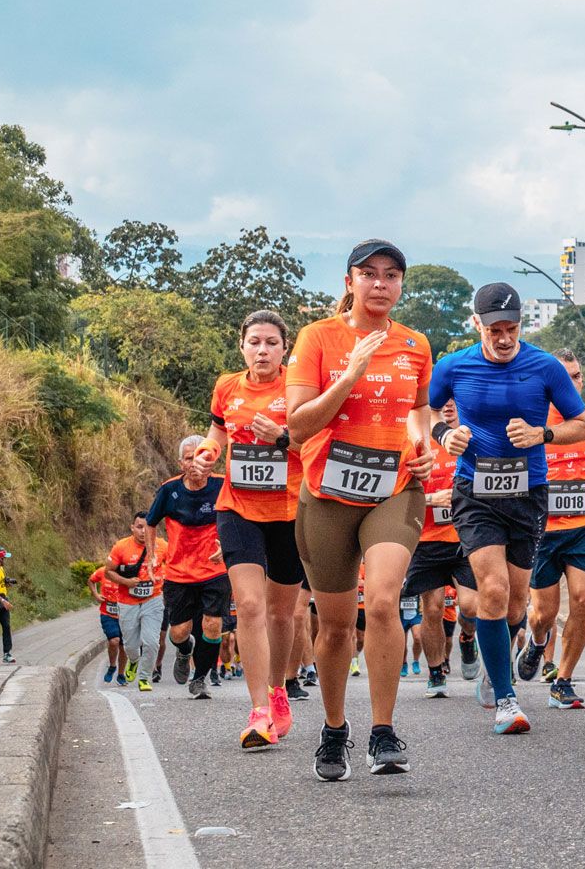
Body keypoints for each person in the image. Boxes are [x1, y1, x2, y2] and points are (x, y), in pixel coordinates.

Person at [286, 239, 437, 780]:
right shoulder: (317, 338)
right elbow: (297, 425)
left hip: (394, 489)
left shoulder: (416, 343)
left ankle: (382, 730)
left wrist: (425, 448)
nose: (380, 284)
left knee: (382, 603)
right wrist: (348, 376)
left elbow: (419, 408)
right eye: (368, 274)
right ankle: (333, 730)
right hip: (326, 496)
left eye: (391, 275)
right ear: (350, 281)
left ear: (401, 285)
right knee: (333, 627)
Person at [432, 281, 585, 737]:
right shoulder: (454, 365)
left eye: (513, 328)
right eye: (495, 329)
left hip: (527, 493)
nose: (504, 338)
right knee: (494, 591)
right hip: (474, 490)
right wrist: (445, 437)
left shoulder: (543, 366)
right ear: (476, 323)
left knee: (517, 604)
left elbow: (581, 425)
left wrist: (544, 435)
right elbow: (425, 411)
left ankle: (494, 658)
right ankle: (506, 699)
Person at [206, 309, 309, 749]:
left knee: (281, 613)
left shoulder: (299, 388)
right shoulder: (227, 386)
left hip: (289, 511)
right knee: (248, 605)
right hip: (238, 507)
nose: (262, 350)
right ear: (242, 346)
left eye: (271, 342)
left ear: (284, 348)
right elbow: (217, 431)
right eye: (254, 342)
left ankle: (278, 689)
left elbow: (320, 444)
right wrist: (210, 451)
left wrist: (282, 436)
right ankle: (259, 711)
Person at [520, 351, 585, 711]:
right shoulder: (530, 419)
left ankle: (563, 680)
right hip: (541, 531)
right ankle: (536, 641)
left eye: (577, 377)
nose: (574, 383)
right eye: (567, 377)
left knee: (583, 599)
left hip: (581, 527)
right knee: (544, 613)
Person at [404, 399, 480, 699]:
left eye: (454, 401)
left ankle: (467, 636)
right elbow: (399, 492)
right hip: (427, 540)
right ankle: (436, 672)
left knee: (472, 605)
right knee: (432, 608)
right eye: (442, 403)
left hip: (466, 537)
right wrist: (431, 499)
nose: (448, 407)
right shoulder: (417, 440)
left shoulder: (474, 440)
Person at [147, 435, 228, 701]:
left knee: (213, 625)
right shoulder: (169, 490)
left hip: (214, 570)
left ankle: (201, 678)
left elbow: (238, 516)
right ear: (181, 462)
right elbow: (151, 522)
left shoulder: (221, 486)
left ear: (211, 461)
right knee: (179, 632)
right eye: (190, 457)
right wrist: (151, 557)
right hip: (178, 574)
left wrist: (227, 546)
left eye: (203, 456)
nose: (196, 463)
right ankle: (184, 651)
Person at [106, 512, 170, 692]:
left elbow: (174, 564)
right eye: (139, 527)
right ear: (132, 528)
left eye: (147, 527)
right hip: (127, 602)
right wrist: (126, 582)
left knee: (151, 642)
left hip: (154, 600)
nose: (143, 531)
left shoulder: (162, 546)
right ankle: (133, 661)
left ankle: (144, 677)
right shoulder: (121, 547)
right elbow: (108, 571)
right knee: (131, 646)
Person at [90, 565, 123, 682]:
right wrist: (96, 595)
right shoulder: (102, 571)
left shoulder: (128, 572)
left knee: (124, 646)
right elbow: (91, 580)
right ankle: (112, 665)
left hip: (125, 615)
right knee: (114, 641)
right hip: (107, 614)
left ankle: (121, 674)